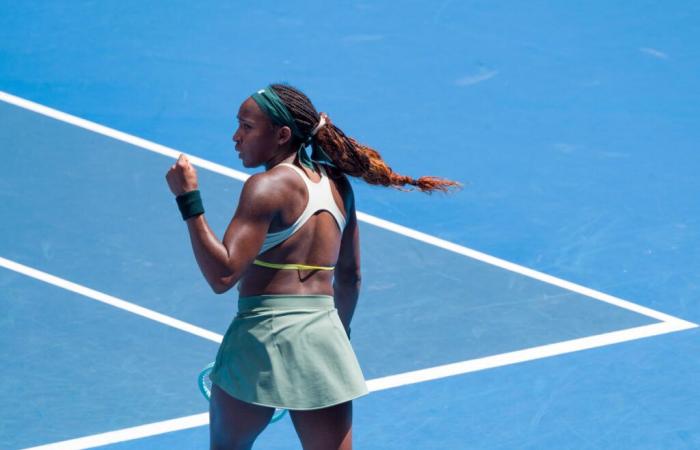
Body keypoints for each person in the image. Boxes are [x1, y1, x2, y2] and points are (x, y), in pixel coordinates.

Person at [165, 83, 460, 450]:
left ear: (282, 135)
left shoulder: (265, 187)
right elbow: (350, 278)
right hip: (323, 337)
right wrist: (337, 338)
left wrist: (188, 199)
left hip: (260, 340)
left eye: (247, 127)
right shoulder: (338, 185)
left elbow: (223, 274)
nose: (235, 136)